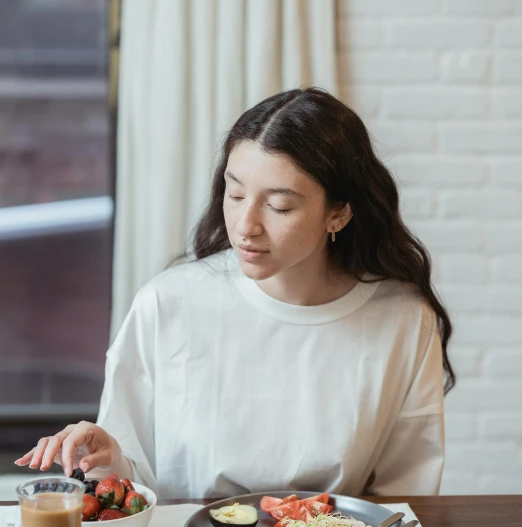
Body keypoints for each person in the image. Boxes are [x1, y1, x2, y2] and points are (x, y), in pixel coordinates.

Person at [15, 88, 455, 498]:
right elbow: (129, 487)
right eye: (236, 193)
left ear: (338, 213)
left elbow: (405, 500)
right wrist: (108, 459)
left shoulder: (401, 319)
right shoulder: (168, 304)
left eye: (279, 206)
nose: (246, 226)